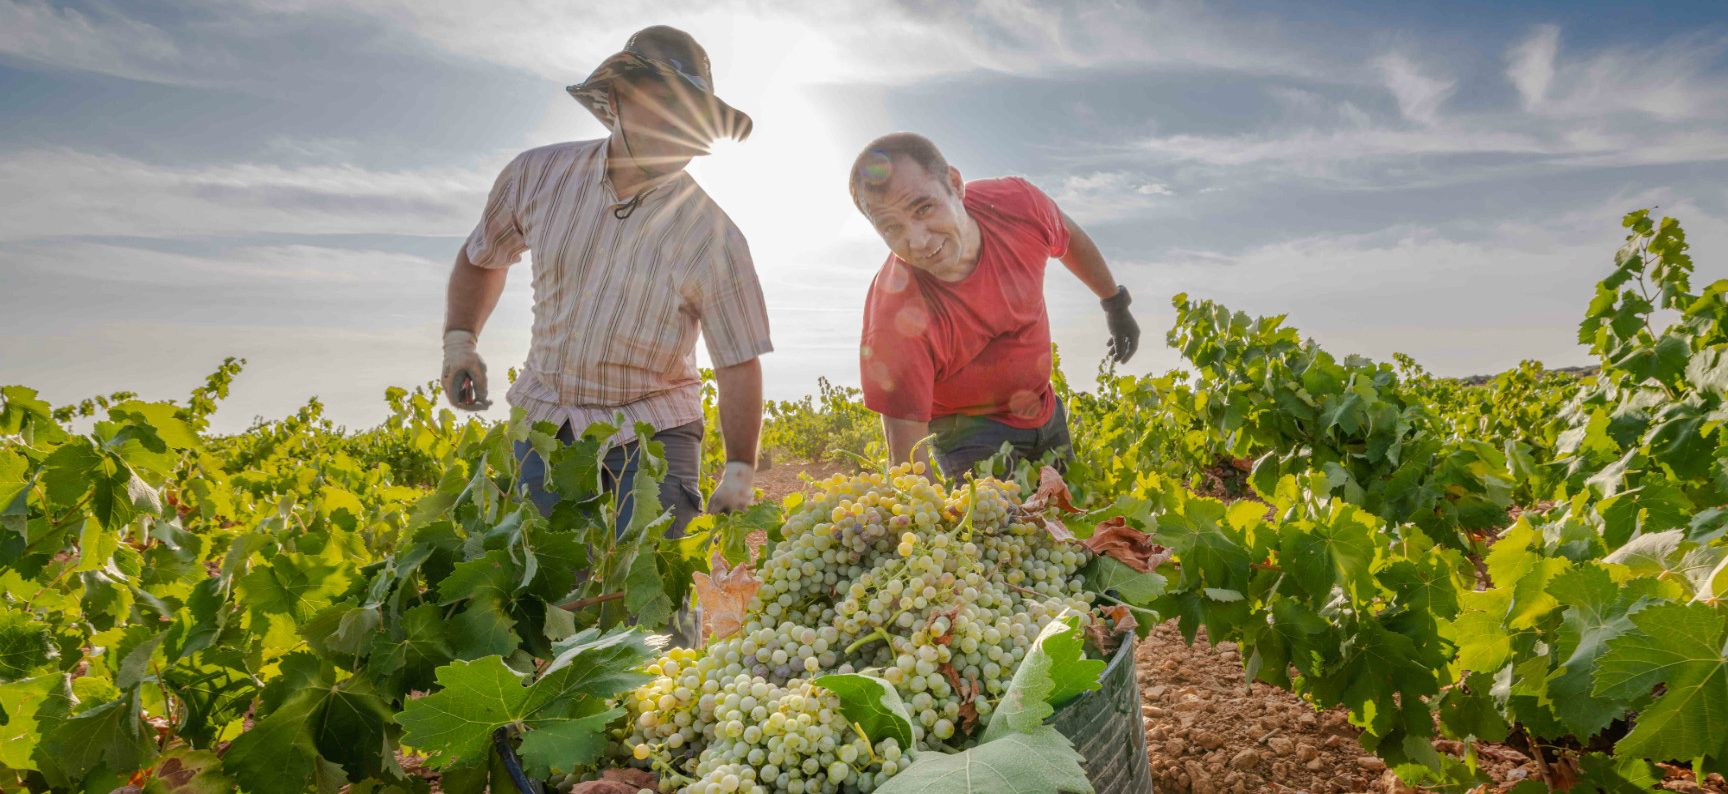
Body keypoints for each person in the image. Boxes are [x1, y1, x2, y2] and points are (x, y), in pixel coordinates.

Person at [440, 25, 771, 537]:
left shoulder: (715, 236)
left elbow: (738, 361)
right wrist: (460, 342)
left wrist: (740, 471)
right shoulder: (537, 175)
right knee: (548, 593)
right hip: (546, 420)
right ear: (616, 100)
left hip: (654, 428)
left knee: (651, 597)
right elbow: (483, 256)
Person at [850, 132, 1140, 478]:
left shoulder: (1018, 206)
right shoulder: (894, 321)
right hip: (967, 435)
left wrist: (1115, 303)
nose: (918, 240)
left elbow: (1069, 236)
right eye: (891, 227)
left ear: (955, 185)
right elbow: (908, 463)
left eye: (924, 208)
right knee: (1007, 531)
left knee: (1072, 519)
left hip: (1045, 410)